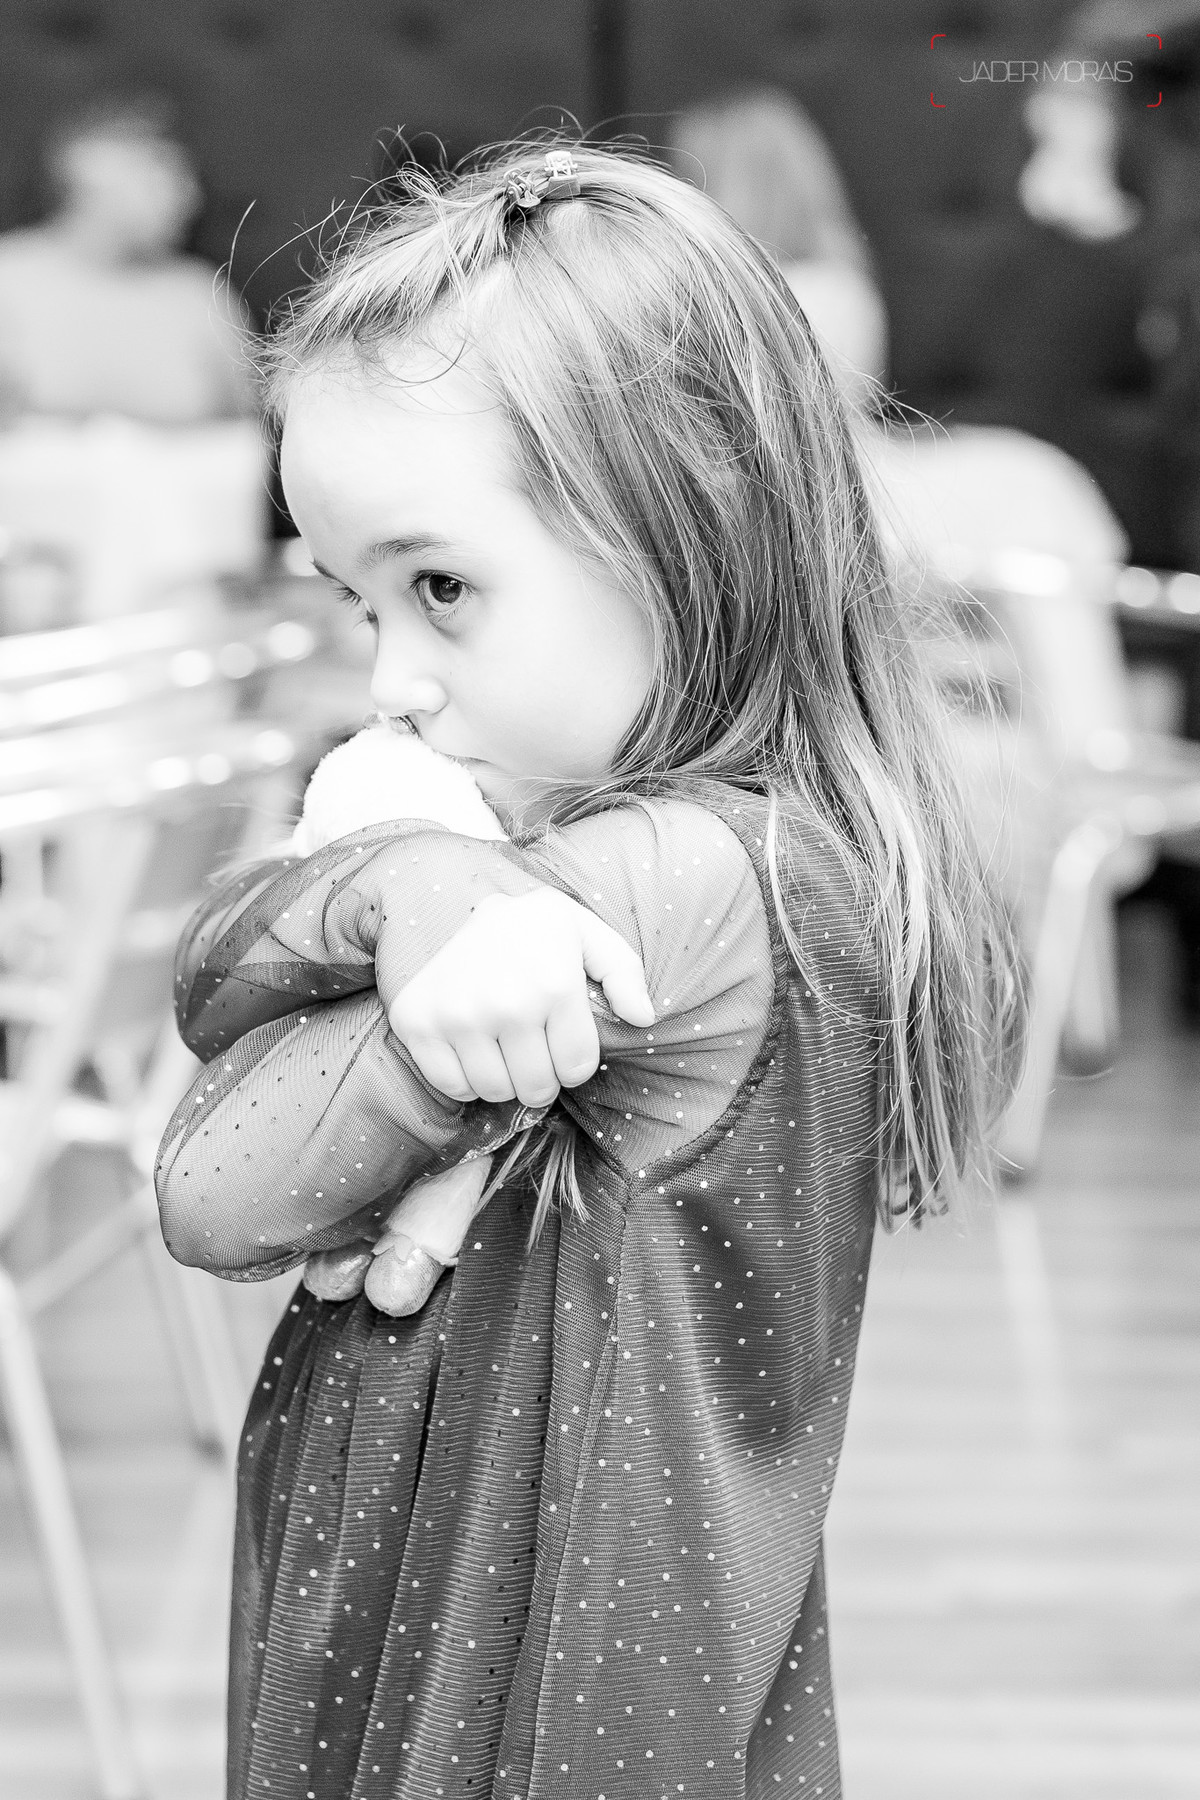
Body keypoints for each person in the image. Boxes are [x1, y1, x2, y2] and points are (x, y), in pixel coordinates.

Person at [155, 143, 1021, 1800]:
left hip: (516, 1706)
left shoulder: (671, 885)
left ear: (680, 520)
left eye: (442, 587)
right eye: (359, 603)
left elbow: (214, 1188)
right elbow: (219, 966)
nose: (391, 680)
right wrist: (409, 879)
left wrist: (382, 877)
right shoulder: (558, 846)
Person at [0, 96, 253, 424]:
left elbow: (254, 429)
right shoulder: (10, 280)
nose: (187, 195)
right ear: (88, 172)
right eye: (158, 171)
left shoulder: (201, 295)